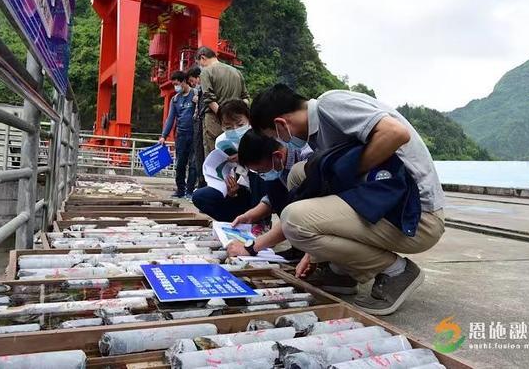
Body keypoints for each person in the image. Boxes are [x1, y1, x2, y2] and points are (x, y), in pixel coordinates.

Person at [250, 84, 446, 315]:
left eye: (274, 136)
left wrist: (347, 175)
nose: (280, 142)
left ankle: (397, 271)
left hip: (414, 215)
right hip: (386, 201)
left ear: (281, 124)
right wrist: (313, 253)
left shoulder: (330, 105)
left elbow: (396, 133)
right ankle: (341, 271)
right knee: (300, 175)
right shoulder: (318, 134)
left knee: (294, 220)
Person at [225, 130, 311, 261]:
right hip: (302, 210)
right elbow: (274, 198)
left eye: (260, 171)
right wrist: (250, 216)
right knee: (272, 183)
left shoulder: (306, 161)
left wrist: (251, 247)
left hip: (322, 214)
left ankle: (311, 252)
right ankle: (300, 249)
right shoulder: (278, 164)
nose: (261, 175)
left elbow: (298, 215)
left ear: (277, 156)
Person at [191, 100, 265, 222]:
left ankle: (261, 222)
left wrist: (245, 159)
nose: (235, 130)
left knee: (255, 172)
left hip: (260, 188)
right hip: (240, 190)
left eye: (240, 125)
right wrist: (230, 189)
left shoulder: (259, 135)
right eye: (228, 127)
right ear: (221, 125)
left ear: (249, 120)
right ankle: (234, 222)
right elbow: (225, 170)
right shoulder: (221, 142)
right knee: (200, 196)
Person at [195, 46, 249, 156]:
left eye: (198, 63)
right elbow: (246, 98)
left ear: (203, 58)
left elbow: (209, 98)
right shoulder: (236, 71)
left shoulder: (206, 73)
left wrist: (223, 115)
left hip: (214, 120)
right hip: (237, 123)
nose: (200, 66)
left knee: (214, 155)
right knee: (236, 154)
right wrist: (237, 113)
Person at [159, 71, 197, 199]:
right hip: (181, 134)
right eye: (174, 84)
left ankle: (190, 191)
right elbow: (171, 118)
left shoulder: (195, 94)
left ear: (184, 82)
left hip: (194, 134)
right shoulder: (175, 99)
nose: (176, 87)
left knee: (193, 164)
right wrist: (164, 135)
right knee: (180, 163)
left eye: (177, 84)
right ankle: (180, 189)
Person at [187, 65, 206, 189]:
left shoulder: (204, 90)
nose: (193, 84)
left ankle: (202, 183)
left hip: (203, 127)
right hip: (197, 127)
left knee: (200, 157)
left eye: (193, 81)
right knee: (195, 159)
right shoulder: (197, 92)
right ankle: (199, 183)